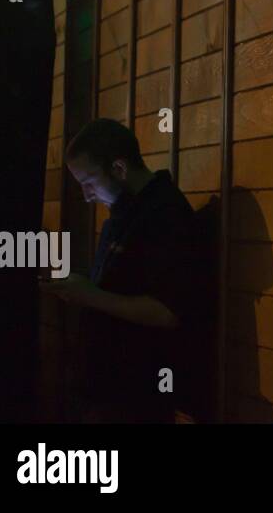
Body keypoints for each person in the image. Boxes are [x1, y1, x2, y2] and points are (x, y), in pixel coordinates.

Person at [45, 118, 200, 423]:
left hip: (137, 397)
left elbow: (166, 311)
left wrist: (88, 295)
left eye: (89, 183)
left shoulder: (166, 214)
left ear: (118, 168)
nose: (87, 195)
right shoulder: (122, 211)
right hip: (108, 391)